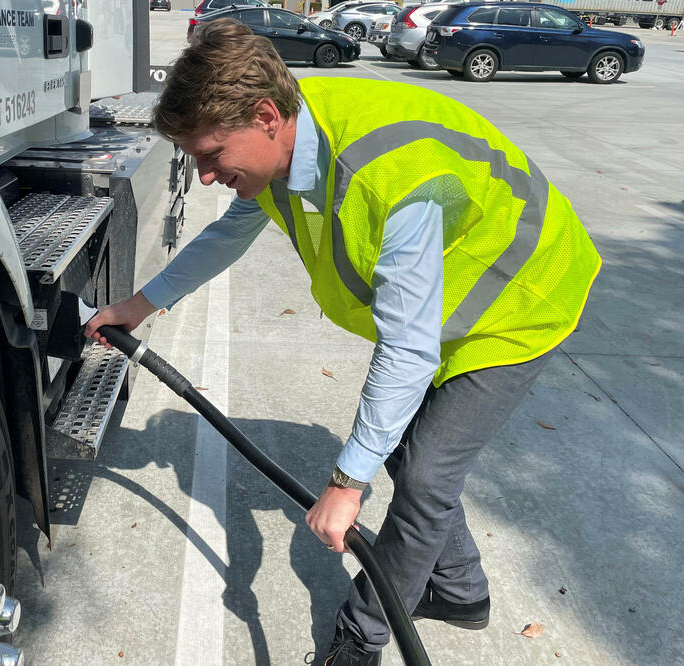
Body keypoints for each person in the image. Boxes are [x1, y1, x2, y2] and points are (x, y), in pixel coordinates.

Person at [84, 19, 600, 666]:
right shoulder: (289, 144)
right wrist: (139, 305)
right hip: (453, 295)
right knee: (415, 461)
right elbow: (227, 236)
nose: (206, 175)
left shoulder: (391, 179)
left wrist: (346, 481)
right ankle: (458, 589)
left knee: (425, 469)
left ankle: (360, 639)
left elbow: (408, 349)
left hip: (521, 296)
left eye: (212, 154)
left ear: (266, 115)